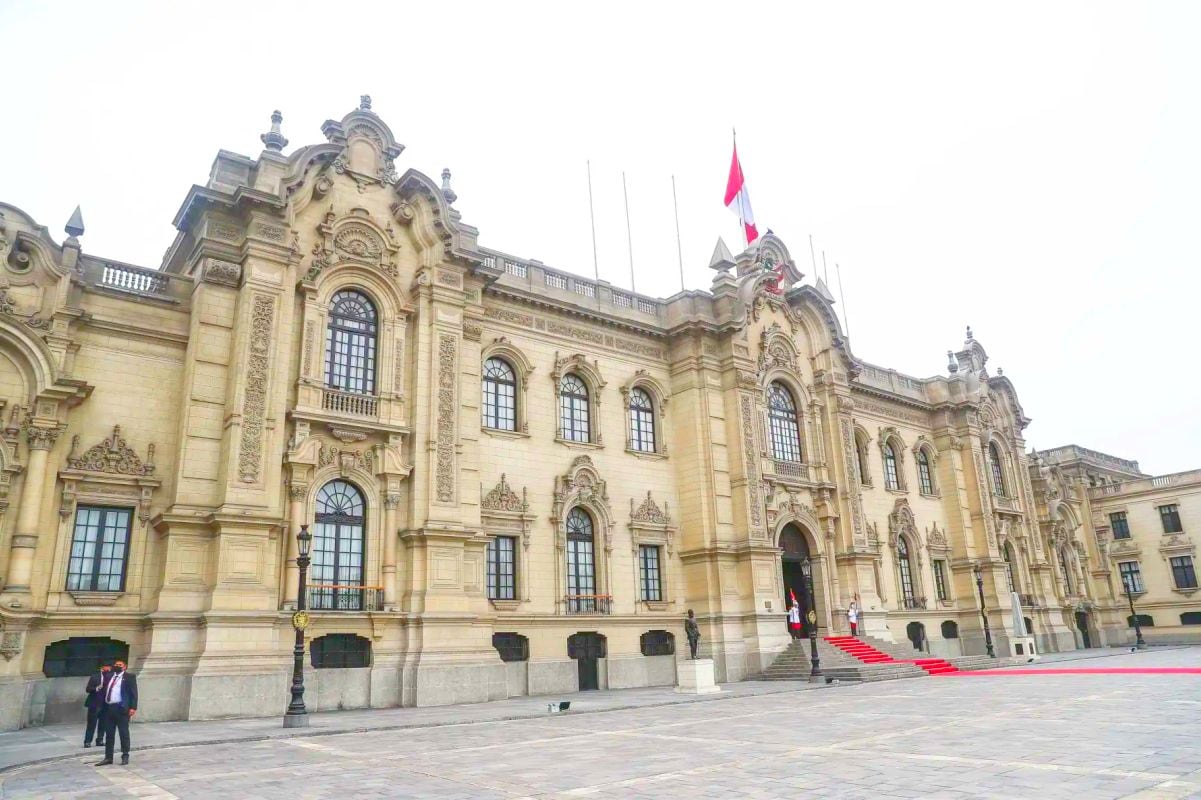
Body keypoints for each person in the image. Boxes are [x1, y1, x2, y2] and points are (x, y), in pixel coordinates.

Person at [95, 659, 137, 766]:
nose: (117, 666)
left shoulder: (129, 677)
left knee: (123, 733)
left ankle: (125, 755)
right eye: (116, 664)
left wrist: (133, 707)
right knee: (109, 734)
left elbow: (134, 693)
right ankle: (108, 757)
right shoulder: (109, 676)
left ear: (124, 667)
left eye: (120, 665)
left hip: (121, 708)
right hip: (109, 708)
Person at [83, 664, 111, 748]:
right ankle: (87, 741)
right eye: (107, 667)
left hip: (105, 704)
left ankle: (100, 740)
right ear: (102, 668)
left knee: (103, 723)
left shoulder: (111, 677)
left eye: (109, 667)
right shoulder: (95, 677)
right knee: (92, 723)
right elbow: (88, 689)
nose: (109, 668)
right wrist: (97, 688)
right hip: (95, 703)